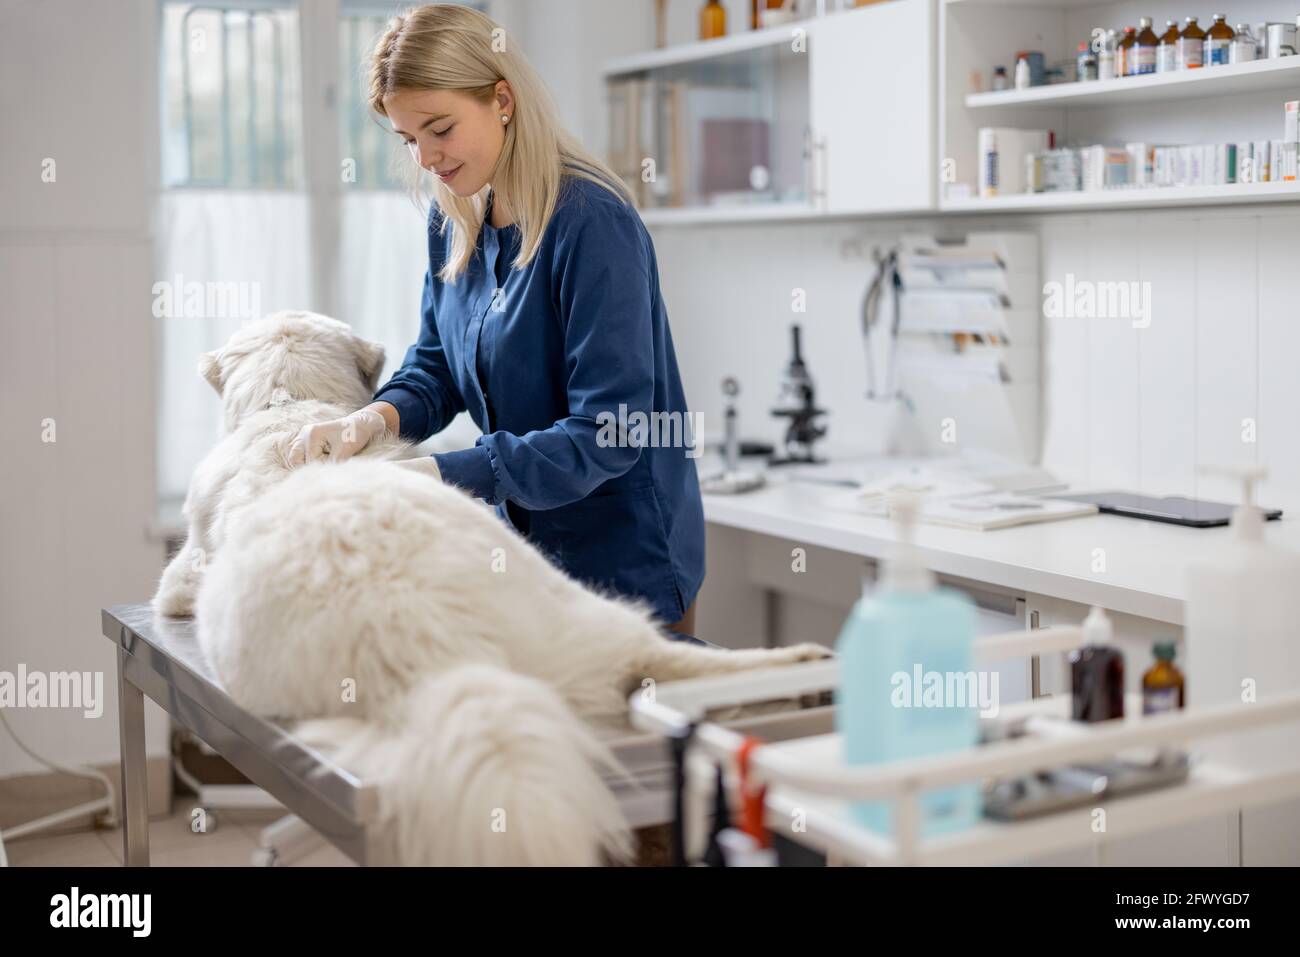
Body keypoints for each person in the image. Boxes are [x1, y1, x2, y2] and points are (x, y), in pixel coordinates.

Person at [288, 3, 704, 635]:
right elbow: (436, 368)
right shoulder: (454, 217)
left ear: (502, 100)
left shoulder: (592, 223)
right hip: (526, 553)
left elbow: (610, 432)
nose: (426, 157)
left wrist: (439, 475)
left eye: (440, 128)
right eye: (409, 139)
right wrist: (369, 421)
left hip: (626, 562)